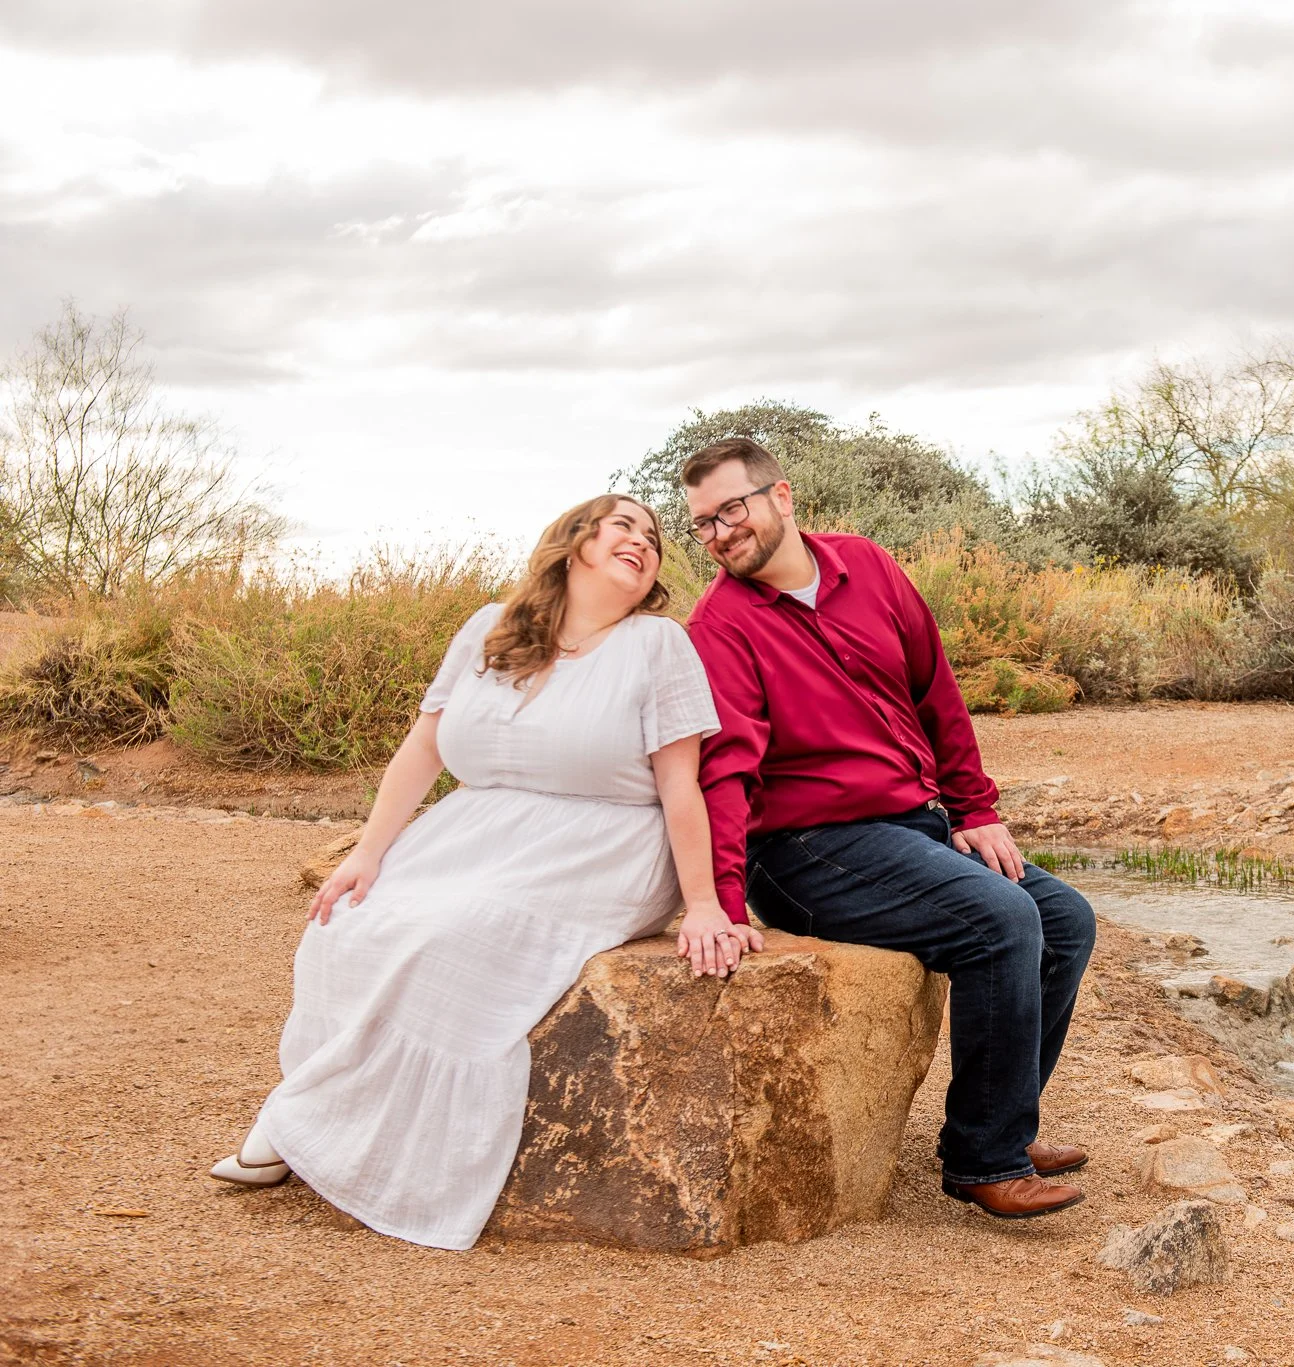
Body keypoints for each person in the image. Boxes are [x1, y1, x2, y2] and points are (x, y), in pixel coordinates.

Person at [208, 494, 750, 1252]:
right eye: (623, 524)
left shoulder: (658, 644)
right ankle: (308, 1115)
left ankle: (300, 1126)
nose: (643, 541)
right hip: (474, 828)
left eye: (654, 538)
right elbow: (423, 748)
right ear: (574, 542)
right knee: (352, 921)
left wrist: (701, 903)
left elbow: (680, 785)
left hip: (601, 844)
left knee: (451, 936)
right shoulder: (490, 627)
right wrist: (368, 850)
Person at [681, 437, 1097, 1221]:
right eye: (703, 524)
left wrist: (974, 809)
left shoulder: (865, 565)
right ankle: (987, 1159)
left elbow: (934, 689)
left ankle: (1002, 1116)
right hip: (805, 850)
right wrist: (724, 902)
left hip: (914, 824)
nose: (720, 533)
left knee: (1065, 918)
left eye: (730, 509)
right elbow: (726, 771)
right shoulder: (721, 625)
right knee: (1003, 918)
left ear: (782, 497)